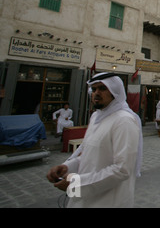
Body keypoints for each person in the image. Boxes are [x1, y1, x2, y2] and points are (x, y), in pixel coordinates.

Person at [46, 72, 143, 208]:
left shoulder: (124, 121)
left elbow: (122, 169)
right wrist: (67, 167)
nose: (96, 93)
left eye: (103, 89)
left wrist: (76, 184)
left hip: (108, 200)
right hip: (85, 198)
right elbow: (90, 155)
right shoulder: (96, 117)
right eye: (94, 89)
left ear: (115, 92)